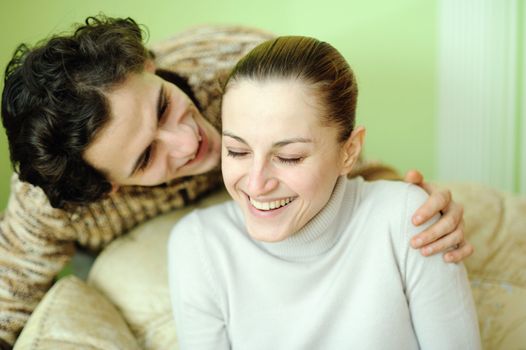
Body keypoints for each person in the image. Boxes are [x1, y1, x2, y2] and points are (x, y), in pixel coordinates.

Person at [0, 16, 470, 349]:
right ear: (109, 189)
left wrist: (413, 204)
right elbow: (7, 305)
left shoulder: (239, 67)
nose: (188, 141)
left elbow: (338, 163)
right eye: (147, 156)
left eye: (164, 106)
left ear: (147, 64)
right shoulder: (51, 209)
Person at [168, 36, 481, 349]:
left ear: (349, 152)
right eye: (237, 150)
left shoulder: (406, 219)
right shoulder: (199, 246)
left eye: (289, 157)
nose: (255, 184)